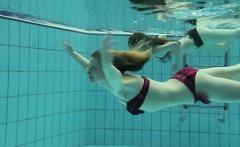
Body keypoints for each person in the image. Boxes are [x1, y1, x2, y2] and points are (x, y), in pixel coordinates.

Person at [63, 35, 240, 115]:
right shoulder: (108, 83)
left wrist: (106, 57)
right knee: (236, 70)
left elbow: (110, 71)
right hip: (185, 80)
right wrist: (73, 54)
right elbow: (91, 66)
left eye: (94, 67)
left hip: (194, 86)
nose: (88, 70)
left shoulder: (120, 87)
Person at [128, 27, 240, 71]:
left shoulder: (155, 51)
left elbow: (176, 44)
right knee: (222, 48)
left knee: (235, 34)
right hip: (195, 40)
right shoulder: (155, 46)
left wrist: (178, 65)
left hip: (198, 36)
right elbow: (165, 38)